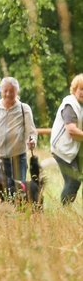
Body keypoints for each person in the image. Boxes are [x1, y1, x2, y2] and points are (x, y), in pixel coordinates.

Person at [0, 77, 36, 182]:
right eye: (5, 91)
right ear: (1, 91)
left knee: (18, 189)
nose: (8, 94)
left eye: (12, 91)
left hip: (17, 158)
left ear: (17, 91)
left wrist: (32, 141)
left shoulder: (24, 109)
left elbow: (31, 131)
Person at [49, 74, 83, 204]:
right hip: (62, 149)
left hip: (74, 149)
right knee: (73, 180)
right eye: (81, 89)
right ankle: (63, 209)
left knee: (75, 181)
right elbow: (72, 130)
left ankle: (66, 208)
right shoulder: (70, 104)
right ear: (75, 89)